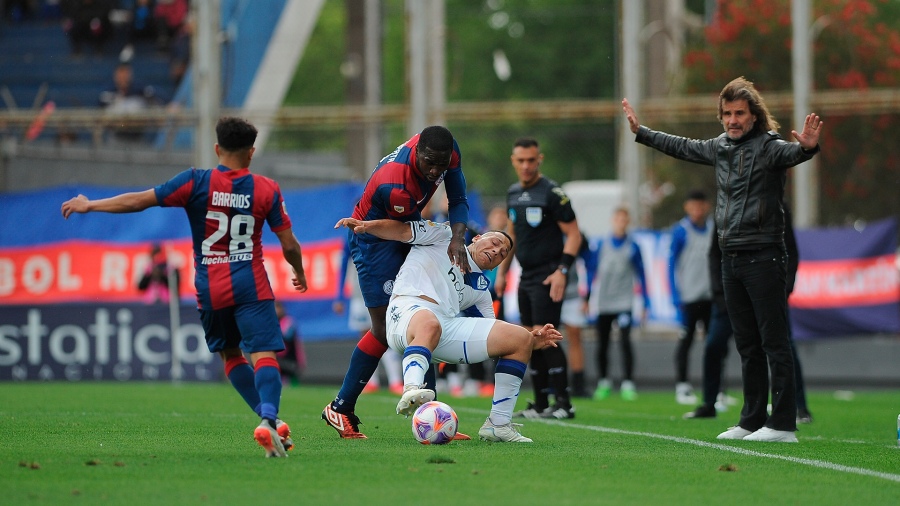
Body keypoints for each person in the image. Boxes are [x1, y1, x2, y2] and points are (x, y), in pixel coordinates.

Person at [61, 116, 308, 457]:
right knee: (263, 353)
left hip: (212, 287)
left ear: (217, 148)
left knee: (231, 355)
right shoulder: (266, 188)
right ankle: (268, 418)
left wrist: (91, 205)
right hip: (251, 283)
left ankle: (270, 421)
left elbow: (138, 201)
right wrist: (299, 271)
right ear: (251, 153)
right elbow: (290, 244)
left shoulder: (194, 182)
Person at [623, 76, 822, 442]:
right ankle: (751, 419)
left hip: (764, 256)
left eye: (740, 113)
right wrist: (643, 132)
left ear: (754, 116)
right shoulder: (719, 147)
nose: (733, 120)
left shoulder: (769, 147)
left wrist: (807, 148)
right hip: (730, 258)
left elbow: (793, 153)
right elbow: (681, 145)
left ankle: (782, 425)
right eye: (727, 114)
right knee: (746, 344)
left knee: (774, 343)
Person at [335, 217, 562, 442]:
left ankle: (498, 424)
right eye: (494, 243)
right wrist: (367, 226)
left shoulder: (480, 289)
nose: (497, 251)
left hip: (440, 328)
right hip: (403, 315)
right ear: (478, 237)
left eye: (502, 254)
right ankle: (411, 388)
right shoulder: (444, 235)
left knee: (517, 337)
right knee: (430, 322)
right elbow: (403, 231)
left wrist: (530, 340)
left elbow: (494, 336)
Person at [322, 125, 471, 440]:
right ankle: (340, 406)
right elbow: (405, 231)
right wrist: (446, 238)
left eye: (440, 165)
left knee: (425, 316)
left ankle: (432, 417)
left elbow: (458, 196)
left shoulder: (447, 150)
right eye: (429, 162)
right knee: (383, 329)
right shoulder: (395, 185)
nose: (434, 171)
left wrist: (458, 237)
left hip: (406, 229)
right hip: (377, 238)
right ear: (416, 151)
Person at [685, 204, 812, 424]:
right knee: (716, 344)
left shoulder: (777, 207)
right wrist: (719, 293)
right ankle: (712, 403)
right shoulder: (725, 207)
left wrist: (784, 289)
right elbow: (715, 254)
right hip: (729, 296)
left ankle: (797, 407)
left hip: (768, 293)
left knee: (782, 346)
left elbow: (789, 251)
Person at [496, 137, 581, 420]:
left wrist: (562, 272)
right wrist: (503, 272)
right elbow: (512, 236)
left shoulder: (553, 193)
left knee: (547, 336)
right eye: (521, 160)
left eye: (531, 160)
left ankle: (564, 404)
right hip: (526, 277)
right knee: (529, 338)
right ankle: (542, 403)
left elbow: (574, 235)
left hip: (548, 276)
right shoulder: (512, 194)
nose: (526, 166)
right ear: (513, 161)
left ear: (539, 159)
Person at [587, 207, 649, 401]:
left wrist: (646, 302)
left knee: (625, 342)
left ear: (628, 221)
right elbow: (592, 271)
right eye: (618, 219)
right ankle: (603, 381)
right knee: (603, 343)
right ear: (613, 220)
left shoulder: (633, 246)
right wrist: (587, 297)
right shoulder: (602, 244)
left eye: (624, 219)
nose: (621, 222)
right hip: (604, 302)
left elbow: (642, 274)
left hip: (624, 302)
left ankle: (628, 382)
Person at [333, 239, 403, 395]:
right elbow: (344, 263)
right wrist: (339, 295)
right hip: (360, 293)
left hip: (384, 290)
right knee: (366, 334)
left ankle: (395, 380)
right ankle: (371, 381)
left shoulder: (384, 229)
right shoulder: (354, 234)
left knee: (387, 332)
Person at [669, 190, 713, 405]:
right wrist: (675, 294)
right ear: (687, 207)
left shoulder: (714, 229)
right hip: (688, 297)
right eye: (693, 206)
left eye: (701, 205)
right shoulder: (681, 231)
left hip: (711, 296)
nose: (697, 210)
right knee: (686, 341)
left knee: (714, 343)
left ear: (706, 206)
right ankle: (683, 385)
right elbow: (671, 265)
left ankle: (716, 388)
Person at [98, 63, 159, 143]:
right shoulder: (107, 93)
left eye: (125, 74)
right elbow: (99, 115)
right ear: (115, 76)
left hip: (137, 136)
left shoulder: (140, 90)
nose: (123, 78)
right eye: (120, 75)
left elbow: (156, 100)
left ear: (130, 75)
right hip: (116, 136)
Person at [561, 231, 591, 398]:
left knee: (575, 338)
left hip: (572, 293)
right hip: (548, 292)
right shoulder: (547, 231)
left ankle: (578, 384)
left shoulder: (577, 235)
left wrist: (588, 296)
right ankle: (552, 383)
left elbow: (589, 262)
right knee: (547, 338)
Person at [275, 300, 306, 387]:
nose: (275, 310)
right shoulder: (273, 322)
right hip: (280, 360)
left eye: (277, 307)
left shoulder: (288, 322)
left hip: (292, 362)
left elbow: (287, 337)